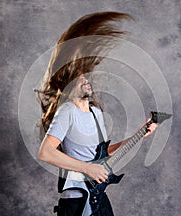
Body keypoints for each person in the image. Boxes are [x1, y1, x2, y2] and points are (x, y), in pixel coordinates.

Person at [36, 12, 158, 216]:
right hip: (77, 200)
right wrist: (88, 169)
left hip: (98, 196)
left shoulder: (95, 113)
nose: (86, 81)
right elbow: (45, 152)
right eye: (79, 79)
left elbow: (102, 153)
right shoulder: (67, 111)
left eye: (86, 77)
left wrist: (139, 134)